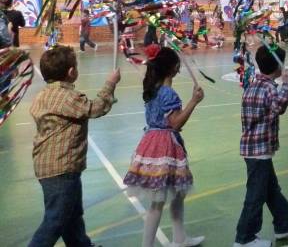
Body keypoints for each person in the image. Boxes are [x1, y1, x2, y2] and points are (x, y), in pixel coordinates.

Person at [28, 47, 120, 247]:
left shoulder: (43, 95)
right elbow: (95, 108)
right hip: (61, 167)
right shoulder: (66, 97)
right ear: (71, 72)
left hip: (52, 166)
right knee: (56, 220)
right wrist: (110, 84)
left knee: (72, 215)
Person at [123, 46, 204, 247]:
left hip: (151, 142)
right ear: (174, 68)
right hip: (165, 146)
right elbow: (175, 123)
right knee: (159, 201)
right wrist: (194, 102)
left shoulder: (152, 90)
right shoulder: (168, 94)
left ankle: (180, 238)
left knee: (177, 193)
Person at [234, 46, 288, 247]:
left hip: (254, 149)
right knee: (256, 196)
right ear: (278, 67)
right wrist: (286, 84)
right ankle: (244, 238)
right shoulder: (269, 88)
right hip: (259, 151)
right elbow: (279, 107)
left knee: (271, 189)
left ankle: (283, 225)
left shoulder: (253, 84)